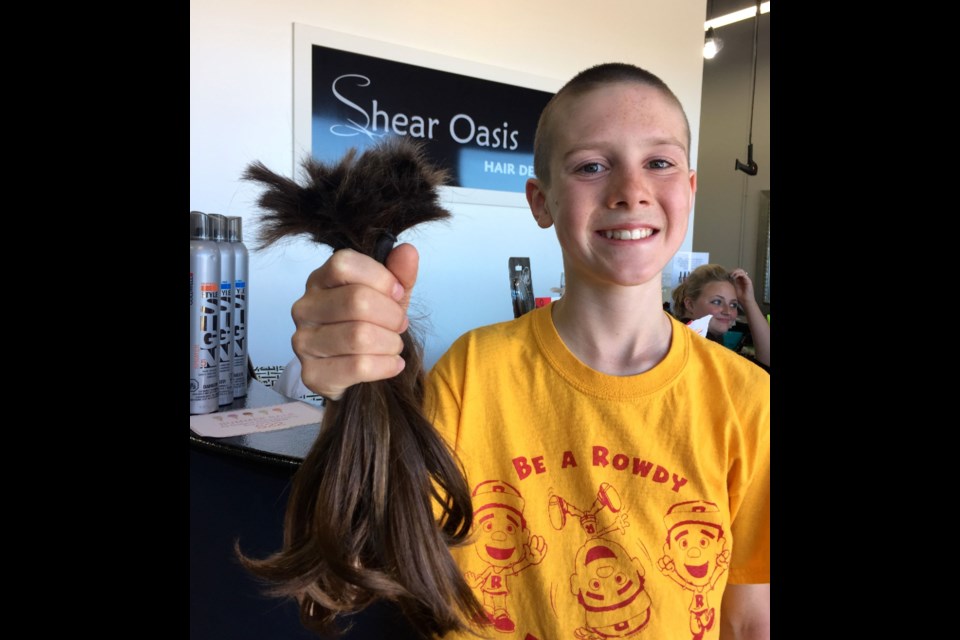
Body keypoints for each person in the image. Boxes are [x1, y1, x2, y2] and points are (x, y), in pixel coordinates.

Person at [287, 62, 770, 639]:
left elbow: (747, 618)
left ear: (688, 190)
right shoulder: (472, 373)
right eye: (592, 165)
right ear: (541, 202)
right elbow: (364, 555)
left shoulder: (750, 400)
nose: (631, 191)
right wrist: (353, 390)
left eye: (659, 163)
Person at [671, 264, 771, 369]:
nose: (727, 311)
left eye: (733, 305)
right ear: (690, 304)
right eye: (717, 302)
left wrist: (748, 300)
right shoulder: (691, 344)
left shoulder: (708, 340)